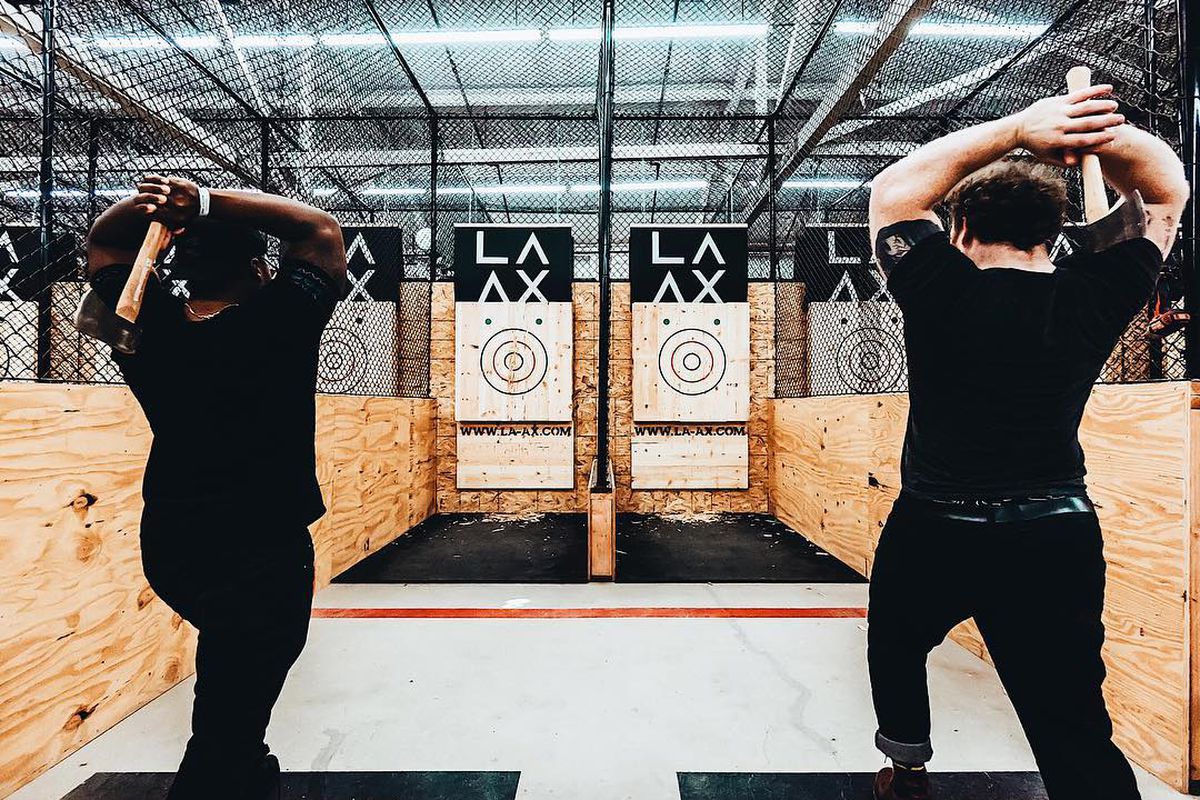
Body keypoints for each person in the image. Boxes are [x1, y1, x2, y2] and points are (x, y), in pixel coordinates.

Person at [865, 82, 1189, 800]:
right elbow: (1167, 190)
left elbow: (893, 193)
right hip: (1054, 530)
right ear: (1052, 231)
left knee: (895, 639)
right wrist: (1098, 133)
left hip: (935, 523)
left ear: (959, 228)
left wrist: (1023, 126)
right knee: (1071, 721)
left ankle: (908, 765)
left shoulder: (937, 284)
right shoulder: (1097, 291)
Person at [86, 176, 347, 800]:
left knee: (232, 681)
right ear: (258, 270)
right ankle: (228, 776)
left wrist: (147, 208)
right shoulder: (279, 322)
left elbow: (104, 242)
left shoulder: (148, 331)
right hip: (261, 551)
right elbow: (319, 232)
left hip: (174, 545)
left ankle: (246, 766)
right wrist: (200, 202)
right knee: (227, 720)